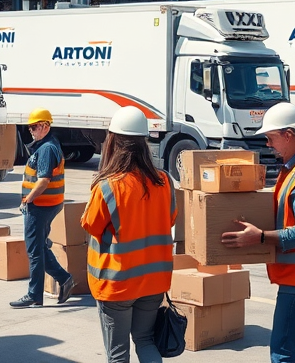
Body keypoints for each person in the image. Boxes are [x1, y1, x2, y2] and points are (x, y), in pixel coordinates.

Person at [221, 102, 295, 363]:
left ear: (288, 135)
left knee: (282, 352)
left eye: (270, 137)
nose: (267, 144)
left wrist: (261, 237)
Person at [82, 106, 176, 363]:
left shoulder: (107, 186)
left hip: (117, 285)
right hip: (154, 281)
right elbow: (169, 219)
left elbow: (91, 226)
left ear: (112, 140)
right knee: (145, 341)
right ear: (144, 142)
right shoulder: (165, 182)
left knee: (118, 354)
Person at [10, 108, 74, 308]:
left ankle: (34, 294)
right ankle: (64, 279)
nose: (31, 130)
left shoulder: (46, 149)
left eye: (34, 126)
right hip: (47, 205)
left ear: (45, 126)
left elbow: (44, 180)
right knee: (39, 247)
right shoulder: (47, 145)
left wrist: (28, 199)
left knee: (34, 250)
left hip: (39, 206)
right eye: (30, 127)